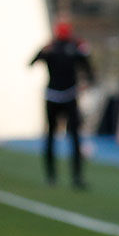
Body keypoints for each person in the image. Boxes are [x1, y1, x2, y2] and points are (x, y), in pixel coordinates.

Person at [32, 22, 93, 188]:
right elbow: (33, 61)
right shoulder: (55, 47)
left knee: (71, 137)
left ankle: (74, 176)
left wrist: (88, 80)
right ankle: (54, 176)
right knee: (56, 137)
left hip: (69, 95)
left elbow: (87, 66)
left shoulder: (73, 46)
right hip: (54, 97)